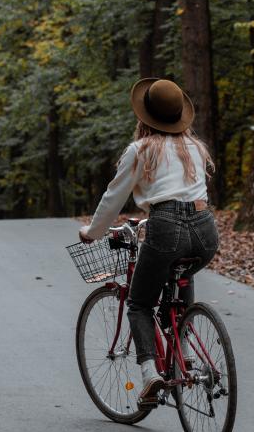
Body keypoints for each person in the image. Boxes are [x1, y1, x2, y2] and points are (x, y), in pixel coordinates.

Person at [79, 77, 219, 407]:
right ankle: (183, 353)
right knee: (182, 282)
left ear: (145, 116)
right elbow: (188, 195)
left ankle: (150, 374)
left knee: (140, 303)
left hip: (166, 226)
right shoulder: (195, 148)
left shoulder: (140, 149)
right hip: (205, 229)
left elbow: (114, 197)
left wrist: (92, 233)